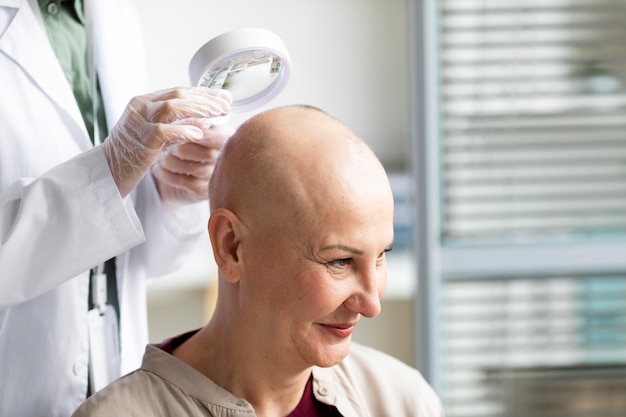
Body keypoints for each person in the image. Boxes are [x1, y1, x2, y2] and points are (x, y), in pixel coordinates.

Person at [72, 105, 444, 417]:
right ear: (231, 246)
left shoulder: (402, 401)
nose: (372, 304)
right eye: (341, 261)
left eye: (381, 256)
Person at [0, 0, 233, 415]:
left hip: (114, 382)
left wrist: (172, 193)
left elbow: (138, 258)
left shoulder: (113, 14)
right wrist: (107, 171)